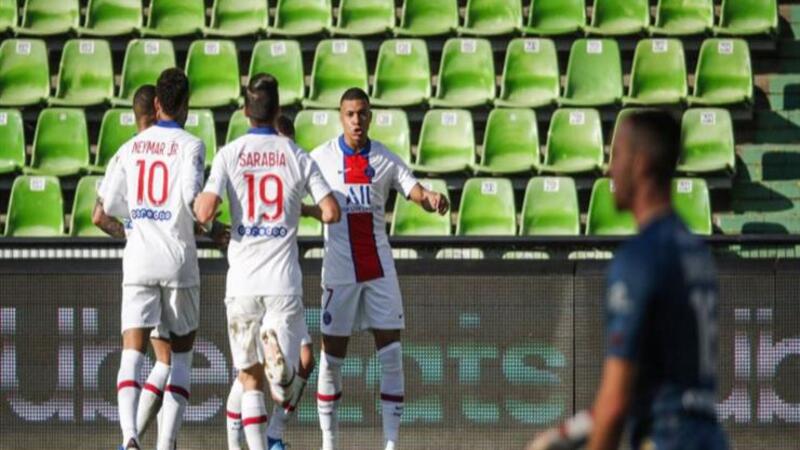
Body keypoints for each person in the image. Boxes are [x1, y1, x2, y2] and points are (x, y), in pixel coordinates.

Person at [527, 110, 728, 450]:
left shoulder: (639, 258)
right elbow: (647, 388)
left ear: (640, 163)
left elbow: (616, 402)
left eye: (617, 155)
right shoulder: (695, 251)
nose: (609, 170)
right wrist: (565, 433)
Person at [194, 73, 340, 450]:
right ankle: (284, 376)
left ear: (246, 111)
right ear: (278, 111)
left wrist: (214, 213)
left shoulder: (230, 154)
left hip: (243, 282)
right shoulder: (297, 155)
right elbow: (331, 211)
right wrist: (300, 209)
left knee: (249, 379)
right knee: (285, 383)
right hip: (282, 283)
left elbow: (204, 212)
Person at [308, 87, 449, 450]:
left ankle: (390, 444)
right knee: (331, 360)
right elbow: (293, 191)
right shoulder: (320, 157)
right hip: (339, 272)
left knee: (392, 355)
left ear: (370, 116)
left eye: (362, 114)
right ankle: (329, 444)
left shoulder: (384, 158)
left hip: (378, 270)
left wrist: (431, 198)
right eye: (350, 114)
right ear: (341, 117)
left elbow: (415, 190)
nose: (356, 120)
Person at [97, 68, 206, 450]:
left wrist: (139, 218)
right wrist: (211, 225)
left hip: (139, 257)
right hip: (177, 259)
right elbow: (192, 199)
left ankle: (129, 437)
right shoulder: (192, 145)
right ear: (186, 105)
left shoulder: (131, 147)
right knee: (179, 360)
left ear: (157, 104)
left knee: (132, 354)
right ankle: (165, 445)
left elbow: (109, 204)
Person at [222, 110, 320, 450]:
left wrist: (303, 209)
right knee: (252, 374)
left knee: (303, 361)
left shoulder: (288, 168)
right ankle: (241, 442)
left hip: (280, 279)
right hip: (262, 280)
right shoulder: (249, 167)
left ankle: (274, 433)